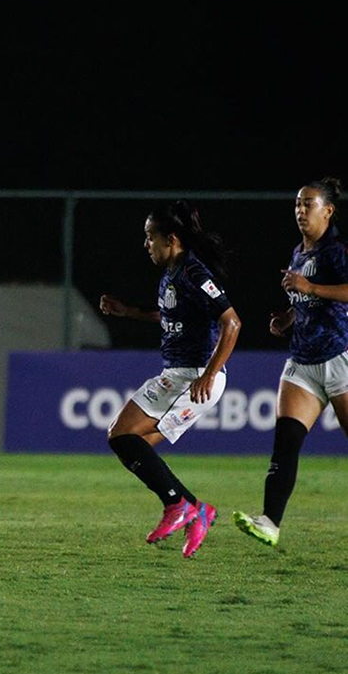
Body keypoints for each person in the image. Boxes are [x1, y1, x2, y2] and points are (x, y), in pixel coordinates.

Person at [99, 200, 241, 558]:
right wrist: (128, 312)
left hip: (194, 378)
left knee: (125, 437)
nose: (146, 245)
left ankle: (180, 506)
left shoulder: (195, 273)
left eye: (150, 237)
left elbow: (232, 322)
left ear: (171, 238)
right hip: (174, 375)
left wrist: (209, 374)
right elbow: (171, 316)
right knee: (126, 439)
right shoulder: (171, 274)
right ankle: (195, 509)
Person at [234, 177, 348, 547]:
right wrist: (288, 317)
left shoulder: (337, 251)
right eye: (298, 203)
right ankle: (269, 522)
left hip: (339, 359)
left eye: (309, 204)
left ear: (328, 210)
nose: (301, 210)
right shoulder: (299, 253)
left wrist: (310, 288)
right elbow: (308, 301)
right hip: (302, 363)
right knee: (285, 443)